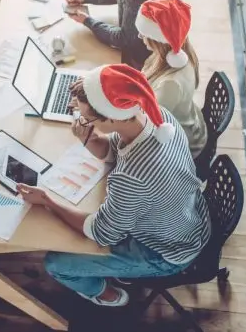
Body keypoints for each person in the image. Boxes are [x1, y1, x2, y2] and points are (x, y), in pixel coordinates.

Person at [17, 64, 211, 307]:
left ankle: (105, 294)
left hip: (167, 254)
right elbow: (117, 149)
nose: (85, 122)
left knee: (56, 264)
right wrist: (89, 139)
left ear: (111, 116)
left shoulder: (131, 179)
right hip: (189, 219)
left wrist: (48, 201)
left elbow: (101, 232)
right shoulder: (157, 115)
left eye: (88, 119)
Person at [136, 0, 208, 157]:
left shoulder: (170, 84)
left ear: (159, 40)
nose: (140, 36)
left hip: (180, 147)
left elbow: (145, 123)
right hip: (188, 124)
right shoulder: (175, 54)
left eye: (144, 33)